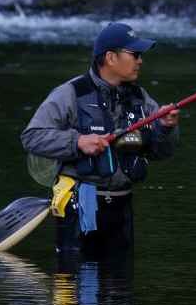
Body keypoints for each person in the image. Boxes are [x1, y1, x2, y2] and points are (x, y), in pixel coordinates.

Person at [21, 22, 179, 254]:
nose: (140, 60)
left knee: (121, 288)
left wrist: (165, 128)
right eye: (134, 54)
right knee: (78, 285)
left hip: (121, 212)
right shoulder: (70, 94)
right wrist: (77, 142)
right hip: (79, 210)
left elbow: (162, 152)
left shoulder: (141, 99)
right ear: (110, 58)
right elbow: (32, 137)